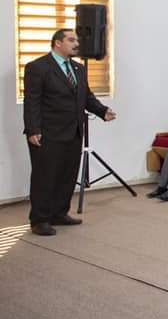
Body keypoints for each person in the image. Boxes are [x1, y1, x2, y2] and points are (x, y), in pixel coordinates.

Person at [22, 29, 117, 235]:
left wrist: (102, 111)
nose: (76, 44)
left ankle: (59, 213)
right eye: (71, 40)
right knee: (45, 177)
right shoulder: (38, 67)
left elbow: (86, 97)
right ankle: (40, 220)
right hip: (47, 133)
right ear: (58, 43)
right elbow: (32, 101)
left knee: (67, 175)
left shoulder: (78, 68)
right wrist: (33, 129)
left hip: (73, 131)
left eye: (77, 40)